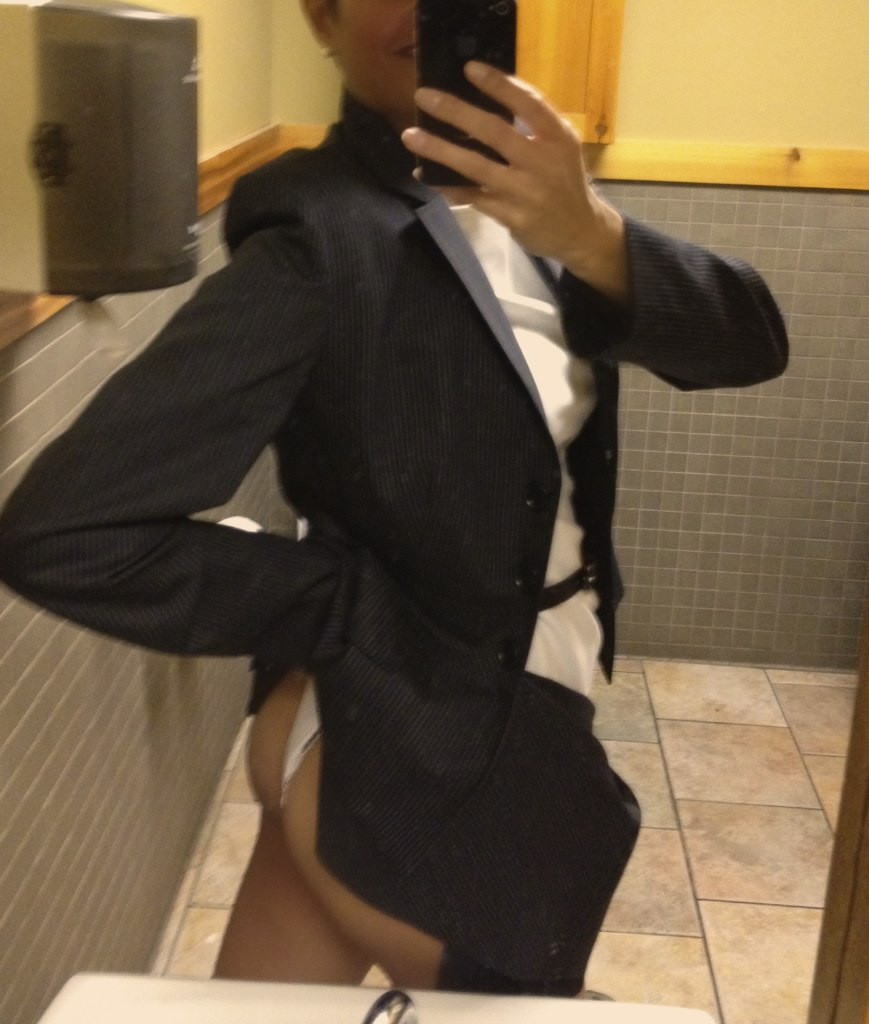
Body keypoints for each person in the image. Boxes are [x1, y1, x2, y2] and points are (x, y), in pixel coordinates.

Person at [0, 0, 788, 998]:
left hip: (460, 708)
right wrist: (335, 603)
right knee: (530, 1005)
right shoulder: (318, 234)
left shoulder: (542, 200)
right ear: (319, 18)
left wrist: (589, 233)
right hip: (401, 735)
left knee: (268, 1007)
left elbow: (749, 344)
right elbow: (66, 532)